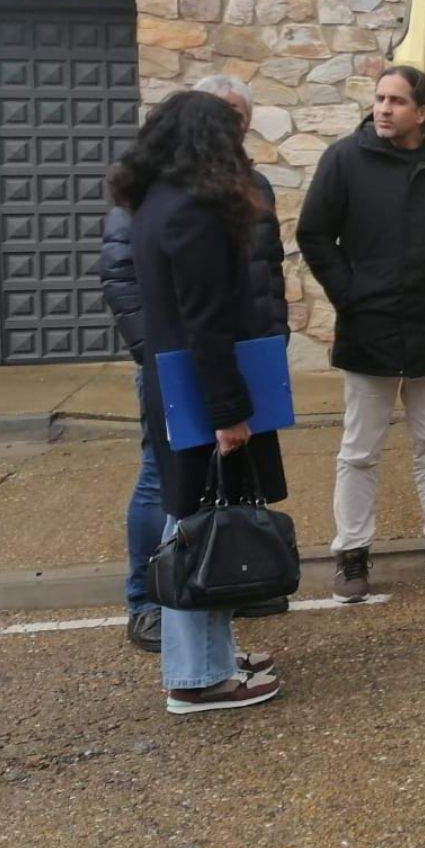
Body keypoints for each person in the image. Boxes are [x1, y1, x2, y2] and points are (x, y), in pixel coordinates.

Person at [109, 90, 288, 714]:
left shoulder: (156, 202)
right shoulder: (195, 213)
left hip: (175, 382)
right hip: (198, 388)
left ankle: (212, 658)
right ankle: (195, 678)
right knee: (194, 526)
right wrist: (229, 412)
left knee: (201, 517)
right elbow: (207, 325)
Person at [296, 66, 425, 601]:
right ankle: (352, 556)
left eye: (396, 101)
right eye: (379, 99)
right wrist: (350, 294)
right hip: (370, 328)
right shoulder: (345, 159)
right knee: (359, 449)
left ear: (422, 111)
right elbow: (313, 232)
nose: (383, 108)